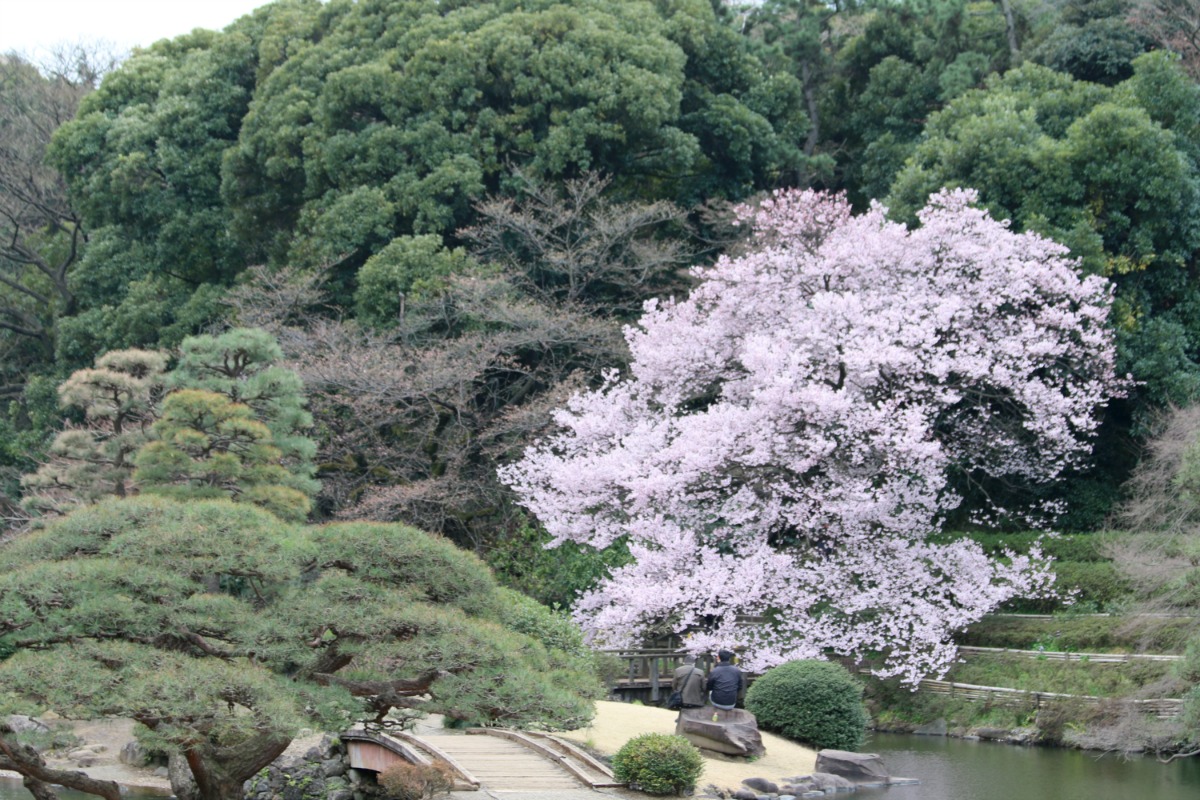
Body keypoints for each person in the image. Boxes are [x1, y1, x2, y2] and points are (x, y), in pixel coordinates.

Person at [706, 649, 743, 719]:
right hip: (732, 703)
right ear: (729, 658)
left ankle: (712, 713)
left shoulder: (715, 671)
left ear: (718, 658)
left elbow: (709, 687)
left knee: (710, 691)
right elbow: (740, 686)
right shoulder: (736, 670)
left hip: (717, 702)